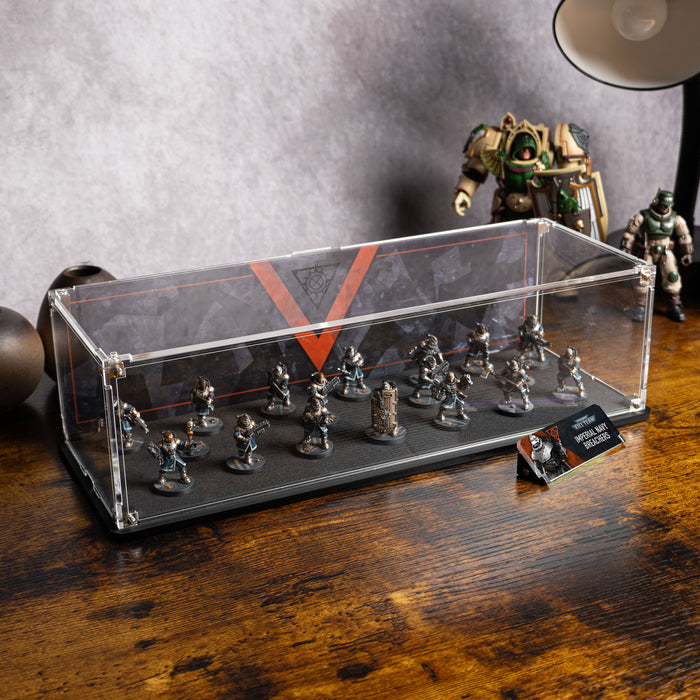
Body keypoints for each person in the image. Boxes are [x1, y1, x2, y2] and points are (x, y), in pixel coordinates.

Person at [620, 189, 693, 322]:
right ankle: (640, 306)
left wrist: (687, 252)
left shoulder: (675, 218)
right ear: (657, 202)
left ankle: (674, 306)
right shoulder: (643, 216)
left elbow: (684, 235)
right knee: (643, 278)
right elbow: (630, 232)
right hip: (647, 252)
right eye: (663, 204)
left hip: (665, 252)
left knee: (672, 277)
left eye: (668, 205)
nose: (666, 207)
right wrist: (625, 247)